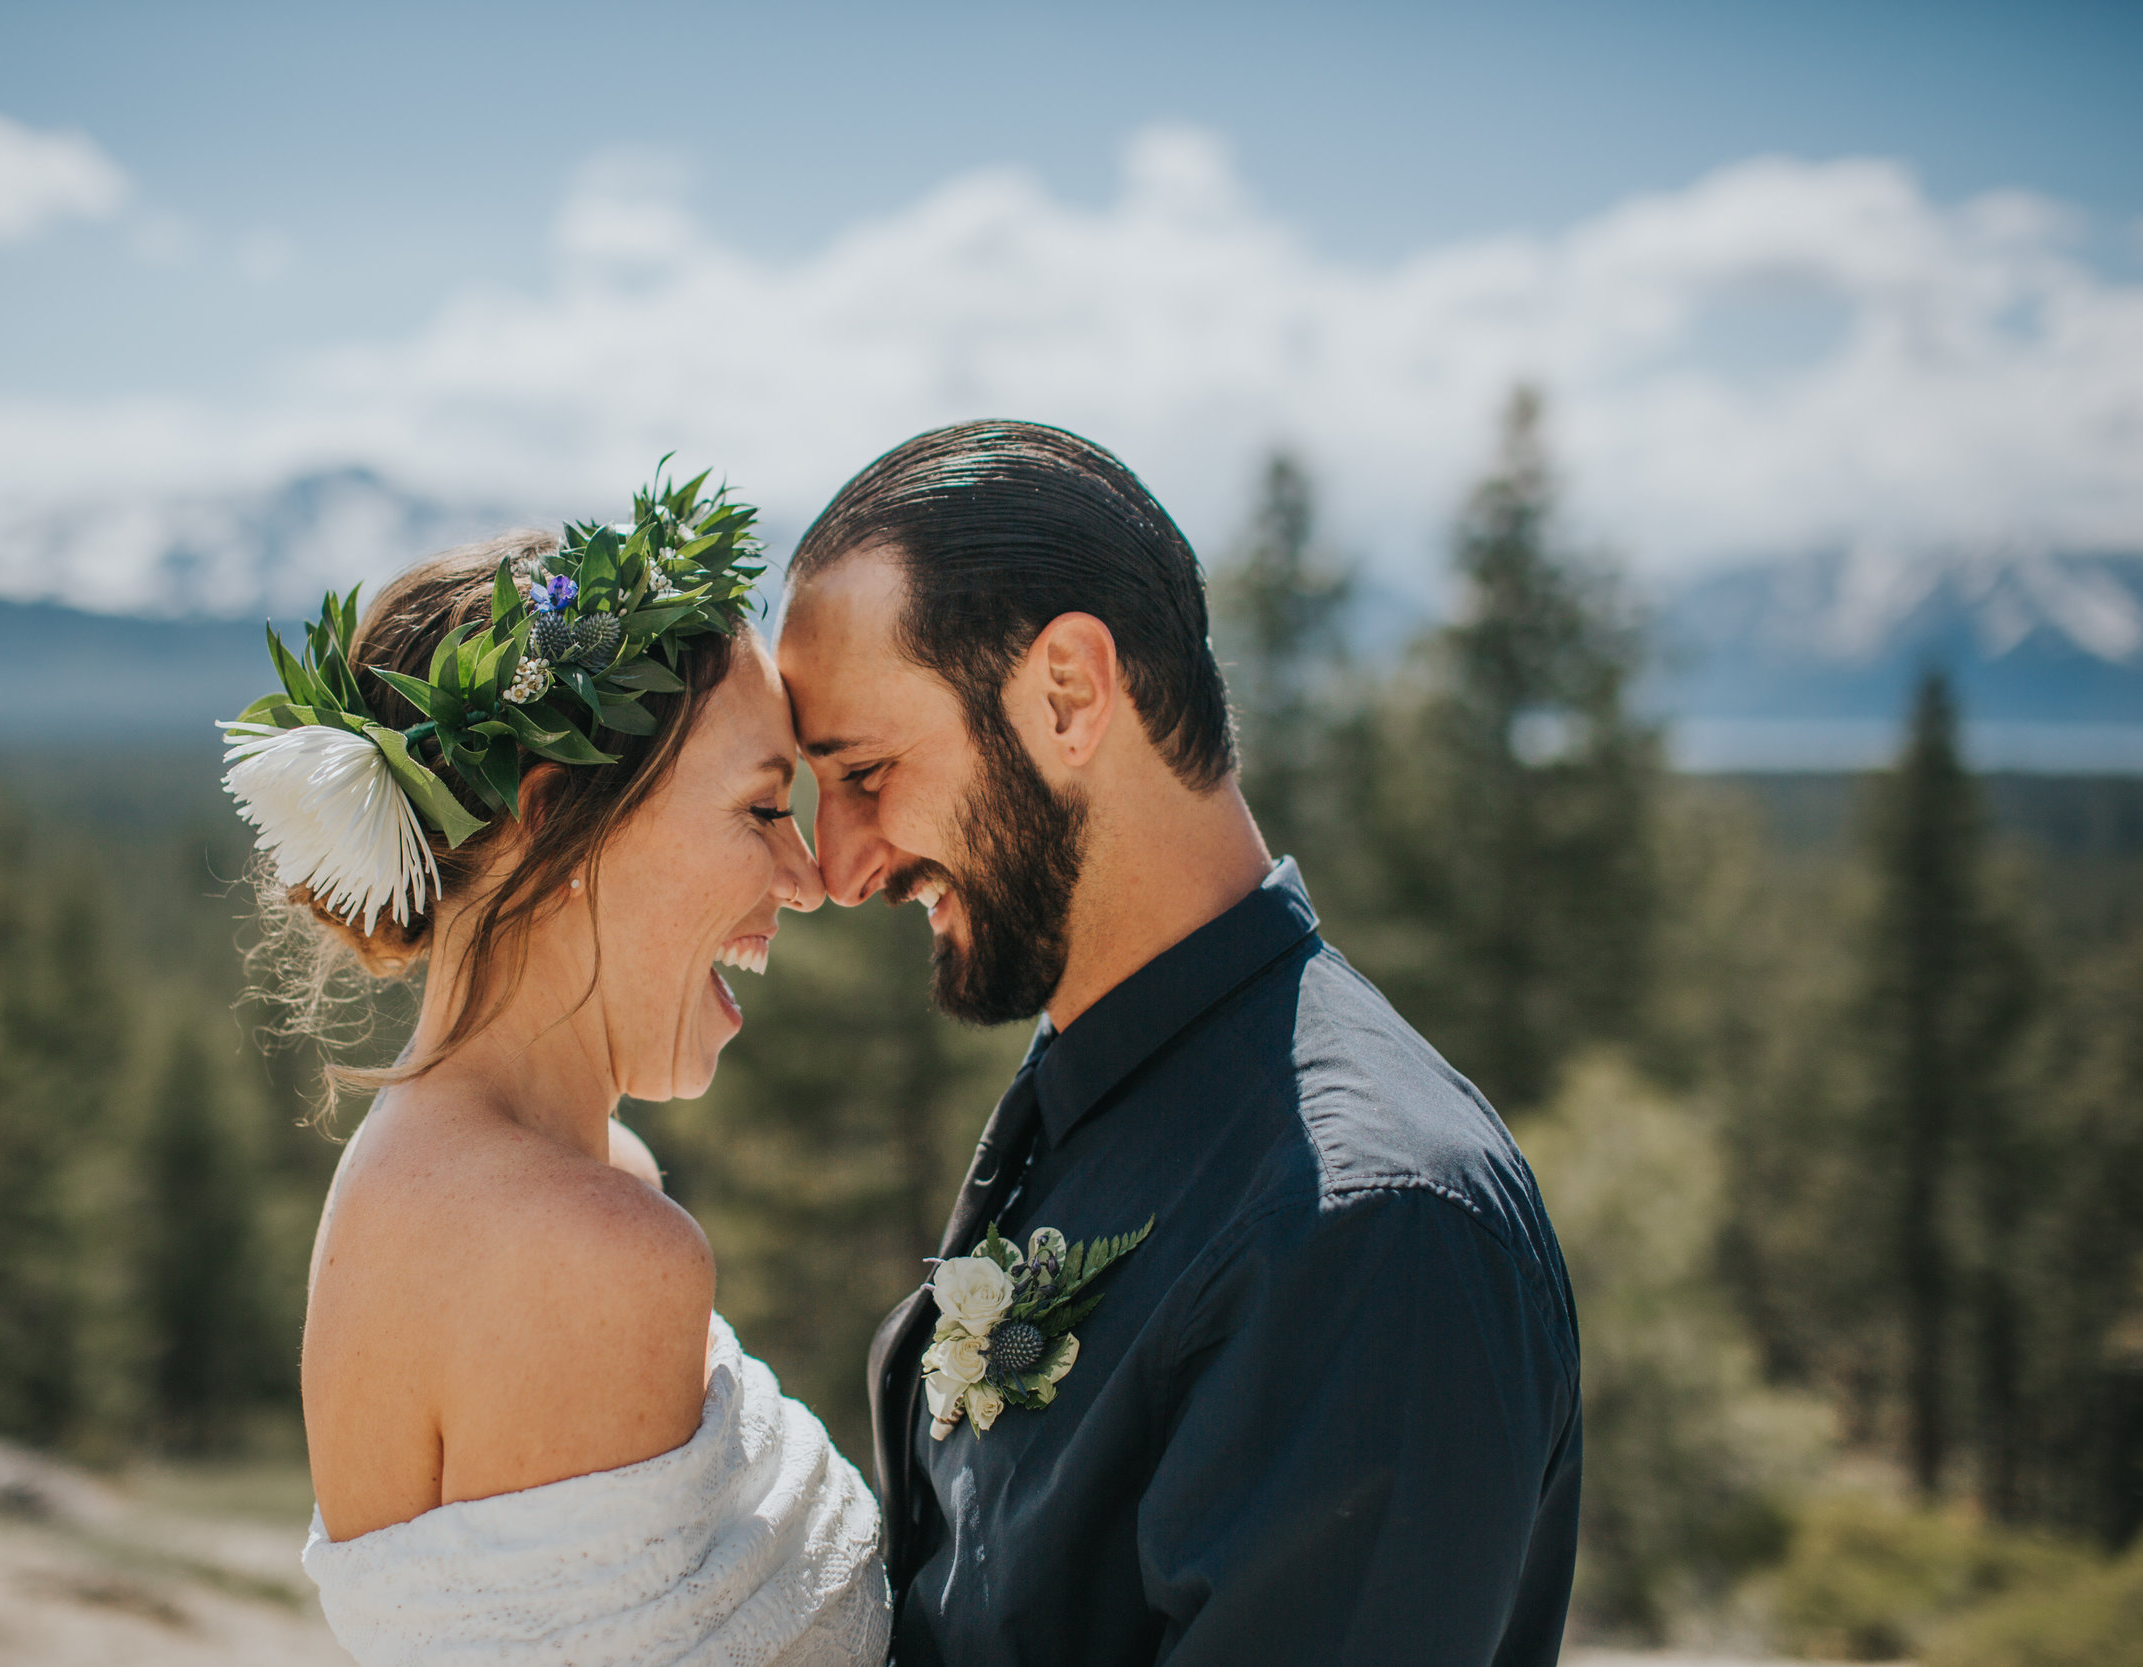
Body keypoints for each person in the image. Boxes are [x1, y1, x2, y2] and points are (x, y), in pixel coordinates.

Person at [775, 420, 1583, 1666]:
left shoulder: (1370, 1227)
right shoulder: (1113, 1092)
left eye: (868, 770)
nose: (836, 865)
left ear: (1069, 693)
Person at [220, 476, 891, 1665]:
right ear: (553, 818)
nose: (806, 876)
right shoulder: (581, 1247)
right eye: (758, 806)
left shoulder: (479, 1175)